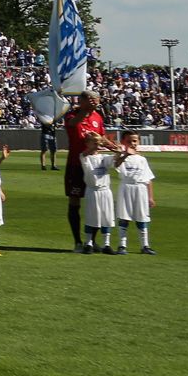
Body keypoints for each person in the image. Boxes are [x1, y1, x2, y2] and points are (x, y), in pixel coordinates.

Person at [63, 92, 108, 254]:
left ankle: (92, 241)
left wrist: (115, 147)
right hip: (76, 166)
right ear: (81, 101)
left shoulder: (97, 117)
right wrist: (84, 110)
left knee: (95, 202)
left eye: (96, 99)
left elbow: (101, 138)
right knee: (74, 202)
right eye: (90, 99)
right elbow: (73, 124)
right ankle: (77, 241)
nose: (94, 101)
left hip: (94, 166)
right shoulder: (72, 115)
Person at [113, 132, 156, 255]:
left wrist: (151, 197)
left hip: (140, 189)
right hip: (126, 188)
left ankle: (145, 246)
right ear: (124, 142)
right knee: (124, 217)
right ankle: (122, 245)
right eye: (130, 141)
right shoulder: (120, 157)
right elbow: (116, 164)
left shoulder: (142, 159)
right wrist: (125, 155)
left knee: (142, 217)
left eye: (135, 141)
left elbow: (148, 179)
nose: (133, 144)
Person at [78, 133, 117, 253]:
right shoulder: (85, 157)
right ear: (87, 144)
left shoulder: (104, 157)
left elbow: (115, 159)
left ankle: (106, 244)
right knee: (91, 217)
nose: (97, 145)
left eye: (98, 142)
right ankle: (88, 243)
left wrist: (118, 150)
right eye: (94, 142)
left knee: (107, 217)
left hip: (105, 191)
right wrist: (91, 147)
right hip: (92, 191)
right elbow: (83, 155)